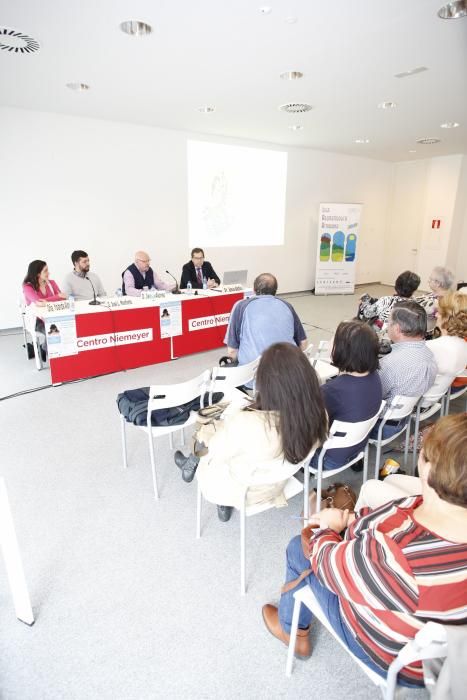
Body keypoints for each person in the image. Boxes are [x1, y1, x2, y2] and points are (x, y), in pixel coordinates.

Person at [262, 413, 467, 688]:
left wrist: (326, 529)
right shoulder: (425, 515)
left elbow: (325, 563)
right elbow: (390, 519)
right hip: (450, 657)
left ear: (428, 471)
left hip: (401, 660)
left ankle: (293, 633)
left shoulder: (396, 557)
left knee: (299, 549)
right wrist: (352, 522)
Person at [174, 343, 328, 522]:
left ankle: (197, 470)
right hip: (279, 481)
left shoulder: (248, 424)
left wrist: (221, 426)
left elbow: (215, 453)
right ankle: (192, 463)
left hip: (245, 490)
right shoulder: (319, 414)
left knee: (208, 431)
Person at [311, 321, 382, 470]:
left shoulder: (331, 391)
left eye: (333, 339)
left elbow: (310, 430)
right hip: (359, 446)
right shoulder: (375, 377)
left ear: (342, 350)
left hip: (328, 458)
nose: (330, 343)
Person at [372, 301, 437, 439]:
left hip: (380, 427)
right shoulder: (429, 355)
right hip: (404, 419)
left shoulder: (388, 364)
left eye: (388, 322)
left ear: (397, 329)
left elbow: (372, 398)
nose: (386, 326)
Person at [224, 273, 307, 368]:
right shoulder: (287, 305)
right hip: (289, 372)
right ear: (275, 291)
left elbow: (232, 351)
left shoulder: (241, 306)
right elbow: (303, 343)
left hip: (254, 376)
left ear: (253, 290)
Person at [425, 291, 467, 398]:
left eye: (439, 312)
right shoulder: (462, 344)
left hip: (422, 399)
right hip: (442, 390)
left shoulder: (431, 347)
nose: (437, 315)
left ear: (447, 318)